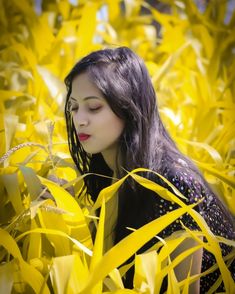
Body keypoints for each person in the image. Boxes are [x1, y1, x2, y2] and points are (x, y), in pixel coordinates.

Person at [64, 46, 235, 293]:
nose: (79, 119)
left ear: (129, 108)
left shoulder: (173, 183)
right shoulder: (106, 174)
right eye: (73, 107)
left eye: (93, 108)